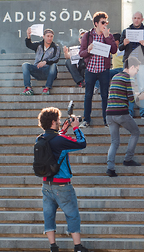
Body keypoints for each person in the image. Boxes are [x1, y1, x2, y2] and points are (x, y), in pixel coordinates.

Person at [37, 106, 89, 252]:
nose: (60, 121)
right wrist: (76, 127)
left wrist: (63, 131)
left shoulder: (40, 139)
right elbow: (81, 143)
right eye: (58, 120)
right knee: (72, 215)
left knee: (49, 216)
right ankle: (78, 247)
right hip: (62, 186)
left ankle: (53, 247)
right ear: (53, 122)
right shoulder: (60, 140)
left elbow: (54, 143)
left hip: (46, 184)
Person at [106, 57, 144, 177]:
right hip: (121, 112)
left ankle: (110, 168)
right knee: (135, 132)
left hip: (109, 113)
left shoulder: (115, 77)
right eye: (137, 70)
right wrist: (141, 97)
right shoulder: (129, 78)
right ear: (132, 67)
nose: (137, 73)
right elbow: (131, 98)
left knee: (114, 142)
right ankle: (128, 159)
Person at [79, 11, 118, 128]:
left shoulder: (108, 35)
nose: (105, 24)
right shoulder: (87, 35)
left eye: (106, 22)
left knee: (105, 95)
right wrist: (88, 50)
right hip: (90, 70)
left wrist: (107, 37)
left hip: (103, 70)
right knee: (88, 95)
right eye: (102, 22)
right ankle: (86, 120)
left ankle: (107, 120)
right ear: (96, 23)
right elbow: (81, 53)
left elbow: (114, 50)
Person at [119, 11, 144, 119]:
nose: (136, 20)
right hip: (129, 64)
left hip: (142, 63)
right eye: (135, 18)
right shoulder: (126, 31)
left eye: (139, 18)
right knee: (129, 87)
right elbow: (120, 48)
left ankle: (143, 112)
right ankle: (129, 112)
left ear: (142, 19)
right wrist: (124, 43)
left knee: (143, 86)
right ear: (132, 19)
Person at [21, 28, 60, 95]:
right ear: (43, 36)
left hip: (48, 71)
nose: (49, 38)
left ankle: (47, 88)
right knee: (25, 65)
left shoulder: (56, 47)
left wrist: (45, 62)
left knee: (53, 65)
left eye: (51, 36)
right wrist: (28, 36)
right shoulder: (39, 45)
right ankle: (28, 88)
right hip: (37, 70)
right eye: (48, 36)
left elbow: (56, 58)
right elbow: (29, 45)